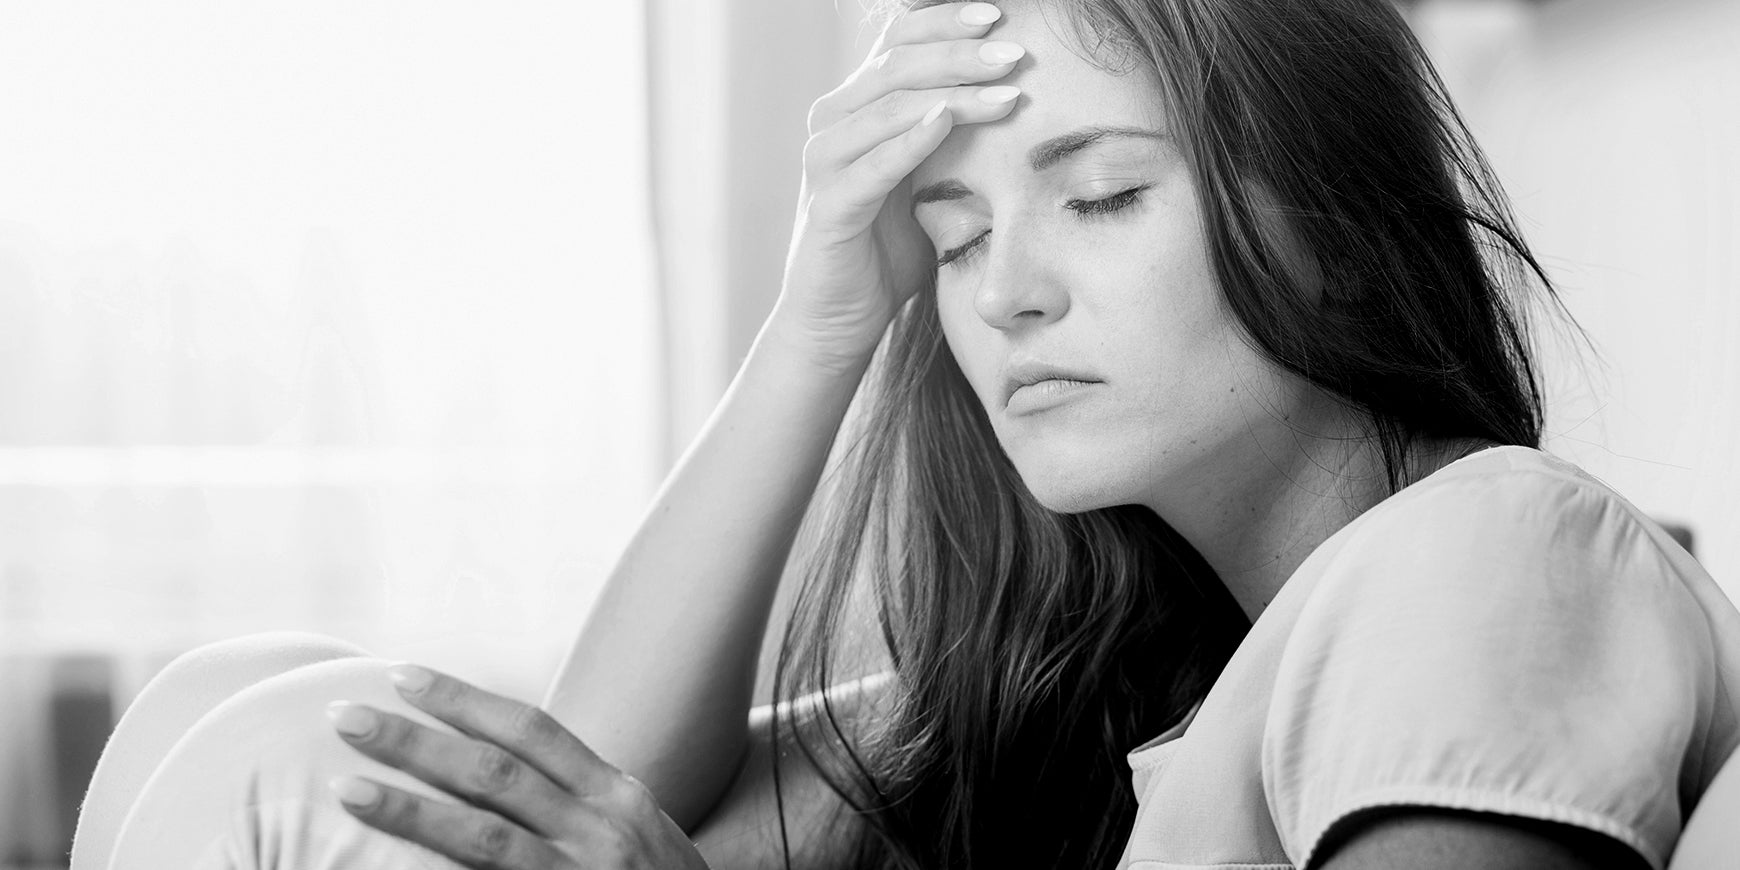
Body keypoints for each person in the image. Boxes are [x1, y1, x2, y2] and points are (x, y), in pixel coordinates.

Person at [71, 0, 1740, 867]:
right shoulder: (1148, 669)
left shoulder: (1489, 553)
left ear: (1333, 204)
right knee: (231, 708)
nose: (1003, 291)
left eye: (1099, 195)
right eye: (951, 236)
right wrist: (822, 319)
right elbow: (582, 797)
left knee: (285, 771)